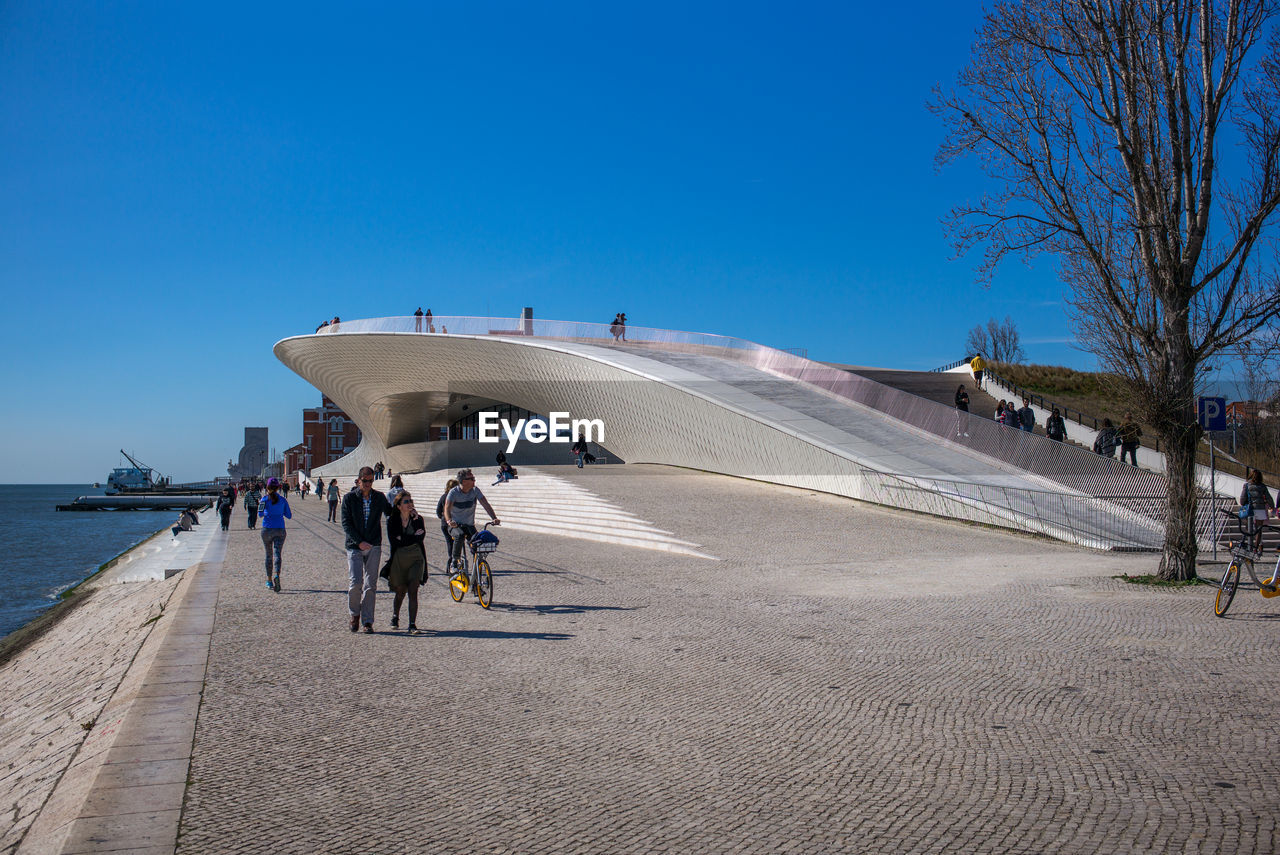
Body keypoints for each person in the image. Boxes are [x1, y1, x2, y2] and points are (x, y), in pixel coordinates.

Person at [342, 466, 392, 632]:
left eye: (371, 481)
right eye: (365, 481)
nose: (368, 484)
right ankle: (355, 614)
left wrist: (406, 508)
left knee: (371, 584)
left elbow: (390, 513)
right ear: (359, 480)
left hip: (373, 544)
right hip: (354, 546)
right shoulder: (349, 498)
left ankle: (367, 621)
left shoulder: (379, 497)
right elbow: (346, 524)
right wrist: (358, 542)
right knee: (355, 582)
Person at [385, 491, 427, 634]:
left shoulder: (418, 519)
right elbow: (394, 541)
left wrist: (413, 524)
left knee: (413, 589)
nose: (410, 504)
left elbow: (420, 537)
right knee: (401, 591)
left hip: (416, 557)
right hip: (399, 559)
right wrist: (411, 538)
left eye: (410, 501)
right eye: (406, 502)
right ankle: (395, 616)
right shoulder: (392, 520)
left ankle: (412, 624)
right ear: (398, 506)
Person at [443, 469, 500, 570]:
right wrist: (449, 521)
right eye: (472, 478)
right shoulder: (454, 492)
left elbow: (485, 504)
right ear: (464, 481)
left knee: (478, 543)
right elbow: (447, 508)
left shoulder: (475, 490)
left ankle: (477, 569)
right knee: (459, 535)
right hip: (455, 525)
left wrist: (494, 518)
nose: (474, 480)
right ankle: (454, 561)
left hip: (469, 525)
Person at [258, 477, 291, 592]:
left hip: (266, 529)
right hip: (280, 529)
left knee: (268, 555)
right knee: (277, 554)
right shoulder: (283, 500)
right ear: (278, 487)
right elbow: (289, 515)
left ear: (267, 487)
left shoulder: (264, 499)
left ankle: (269, 580)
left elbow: (260, 514)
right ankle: (277, 574)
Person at [1240, 469, 1276, 552]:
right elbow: (1268, 497)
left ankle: (1249, 546)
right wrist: (1272, 506)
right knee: (1258, 529)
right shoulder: (1262, 486)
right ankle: (1256, 548)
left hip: (1250, 509)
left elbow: (1242, 499)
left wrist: (1244, 503)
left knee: (1248, 527)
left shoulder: (1247, 485)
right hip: (1260, 509)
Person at [435, 478, 460, 568]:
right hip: (455, 523)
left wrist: (442, 517)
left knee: (450, 542)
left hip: (445, 524)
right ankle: (454, 561)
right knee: (457, 542)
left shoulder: (443, 496)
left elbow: (438, 511)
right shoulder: (456, 496)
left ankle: (451, 561)